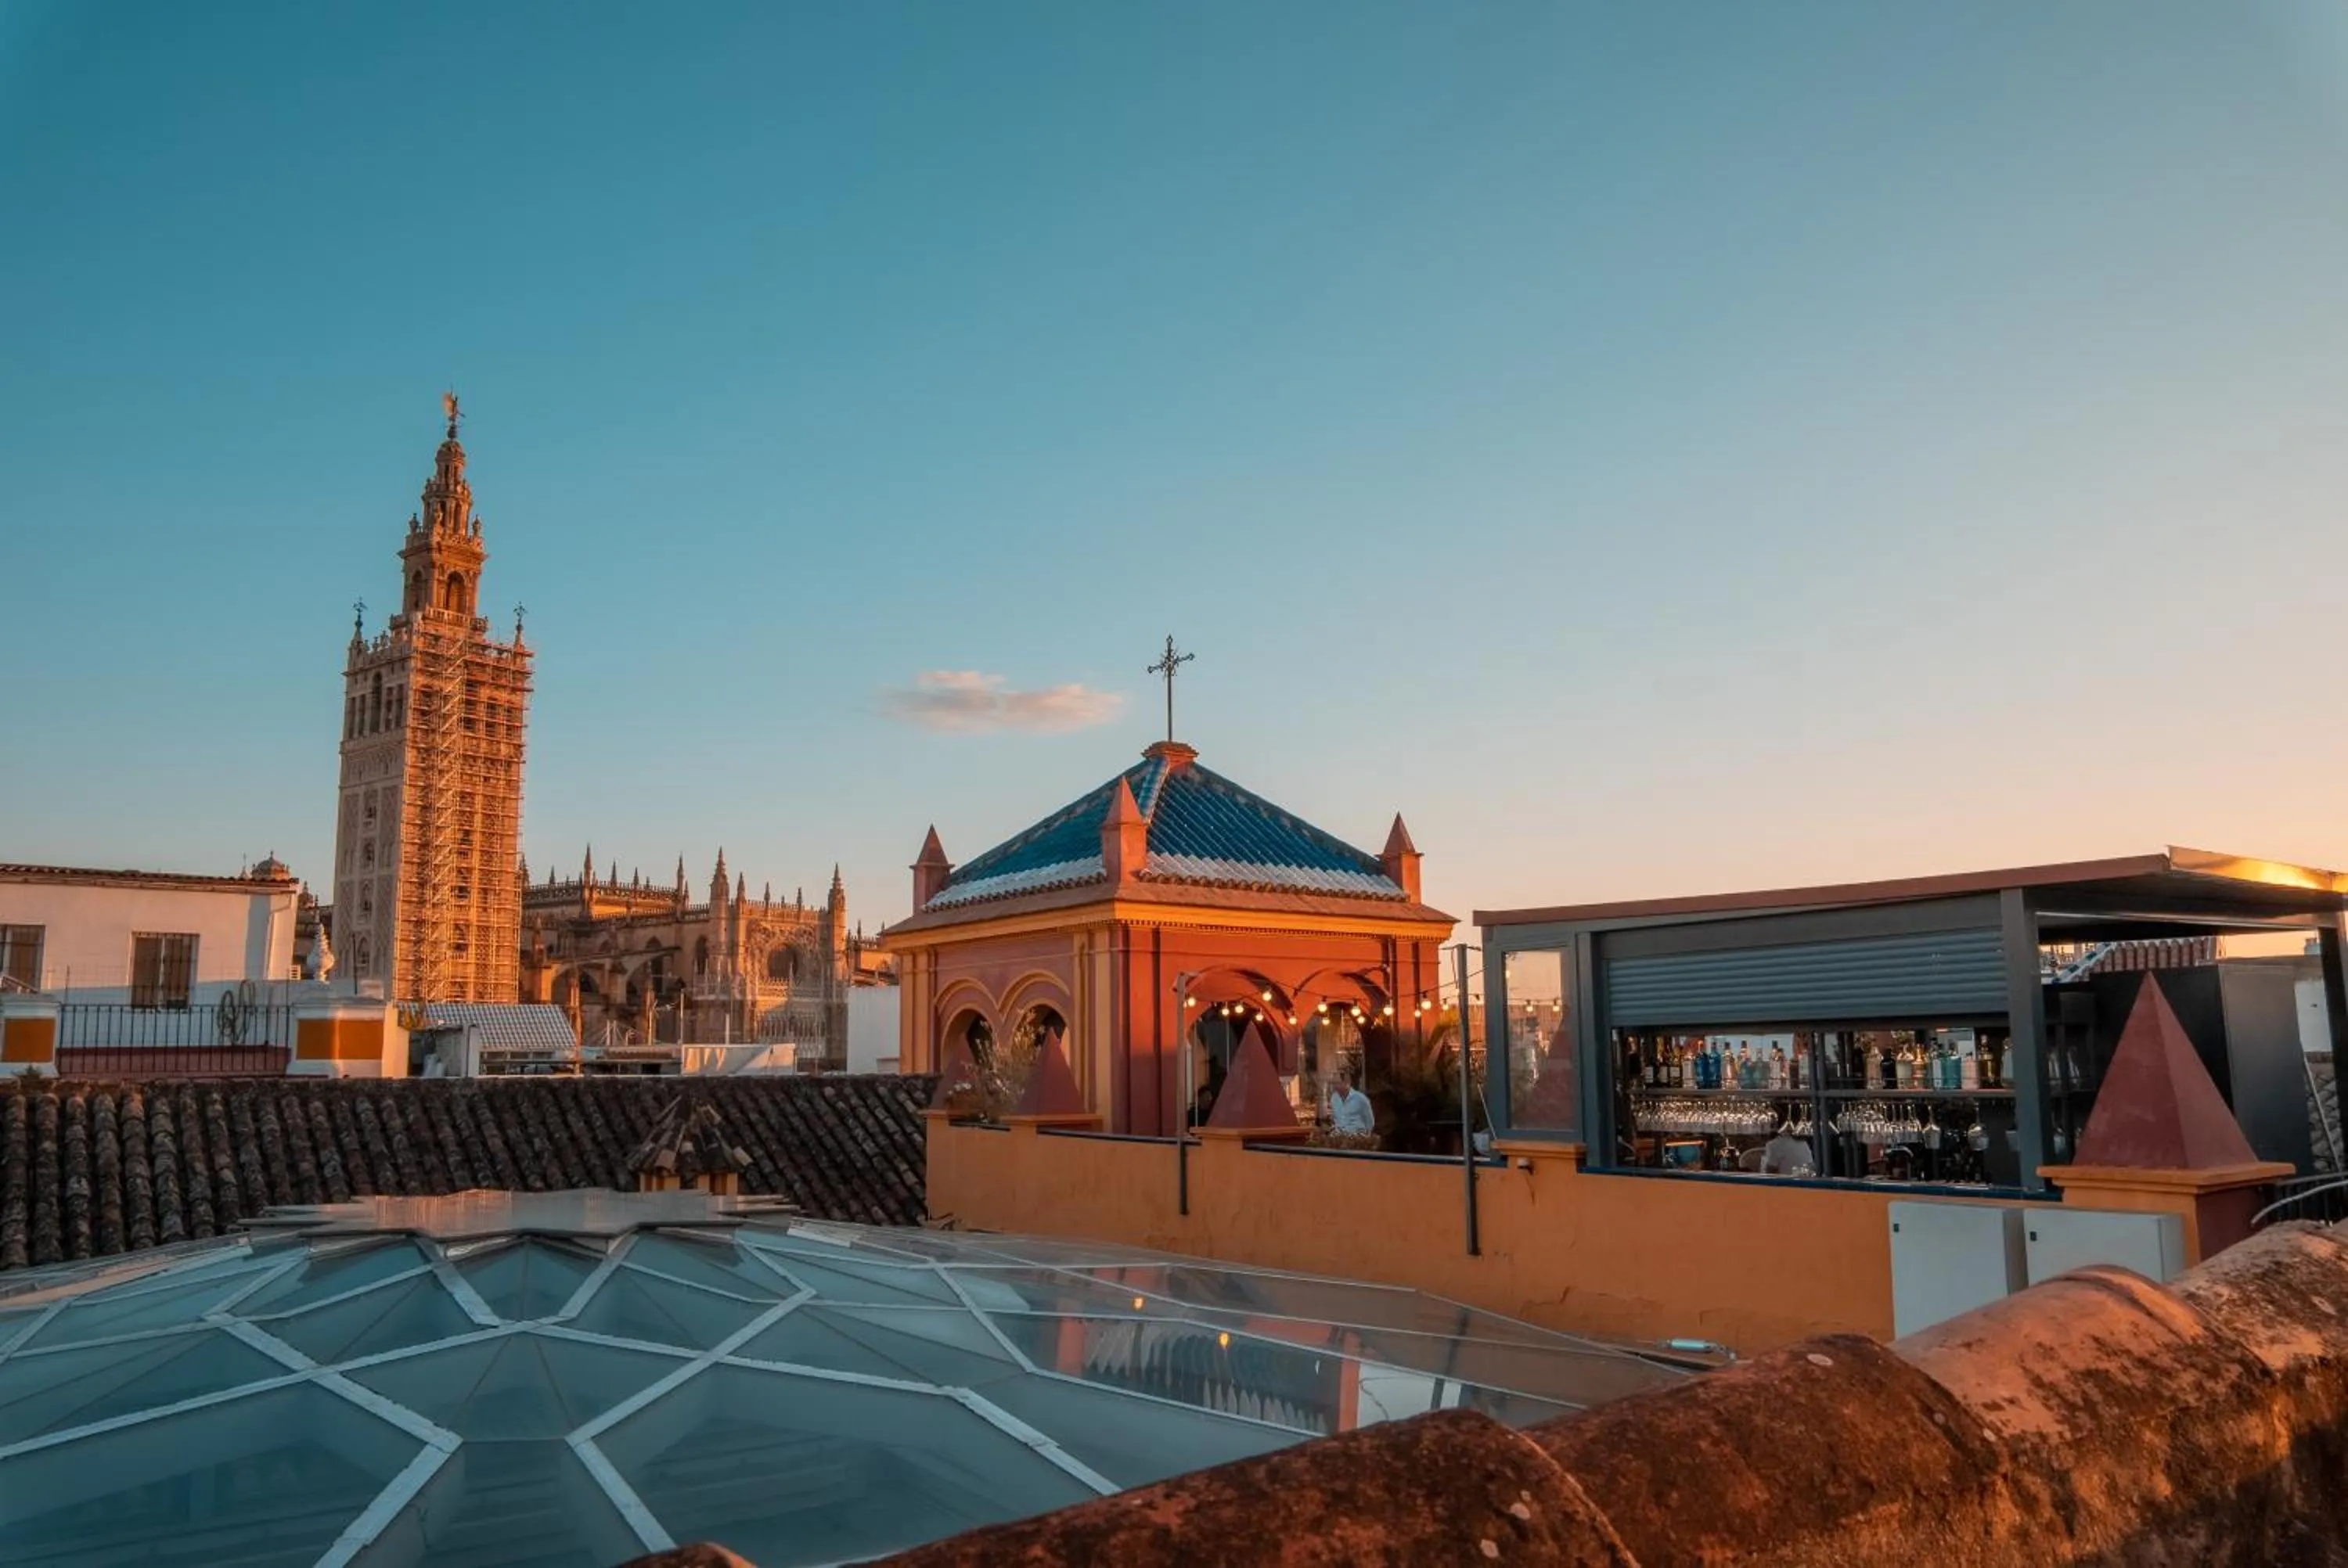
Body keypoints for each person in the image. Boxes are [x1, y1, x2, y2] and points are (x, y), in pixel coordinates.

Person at [1327, 1066, 1375, 1135]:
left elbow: (1370, 1122)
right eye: (1333, 1083)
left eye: (1337, 1083)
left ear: (1347, 1082)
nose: (1334, 1086)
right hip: (1338, 1138)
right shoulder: (1334, 1098)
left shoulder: (1361, 1098)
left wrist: (1365, 1138)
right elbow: (1335, 1119)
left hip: (1357, 1139)